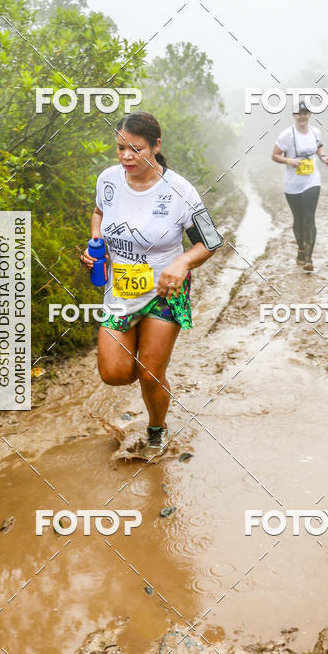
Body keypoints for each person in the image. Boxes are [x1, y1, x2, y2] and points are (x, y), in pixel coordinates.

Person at [80, 112, 217, 458]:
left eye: (136, 149)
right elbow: (99, 212)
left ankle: (157, 428)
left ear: (156, 146)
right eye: (121, 148)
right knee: (114, 373)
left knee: (150, 373)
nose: (126, 157)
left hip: (163, 291)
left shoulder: (180, 191)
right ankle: (141, 380)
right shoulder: (109, 180)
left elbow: (210, 242)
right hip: (120, 289)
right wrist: (95, 243)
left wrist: (182, 262)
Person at [271, 102, 328, 272]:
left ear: (310, 115)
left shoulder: (315, 132)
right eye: (299, 113)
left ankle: (308, 259)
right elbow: (274, 155)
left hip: (312, 180)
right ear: (294, 115)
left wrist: (324, 157)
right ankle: (301, 248)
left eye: (305, 113)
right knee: (298, 219)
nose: (302, 116)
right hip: (292, 183)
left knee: (309, 217)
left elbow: (319, 147)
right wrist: (289, 160)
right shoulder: (287, 135)